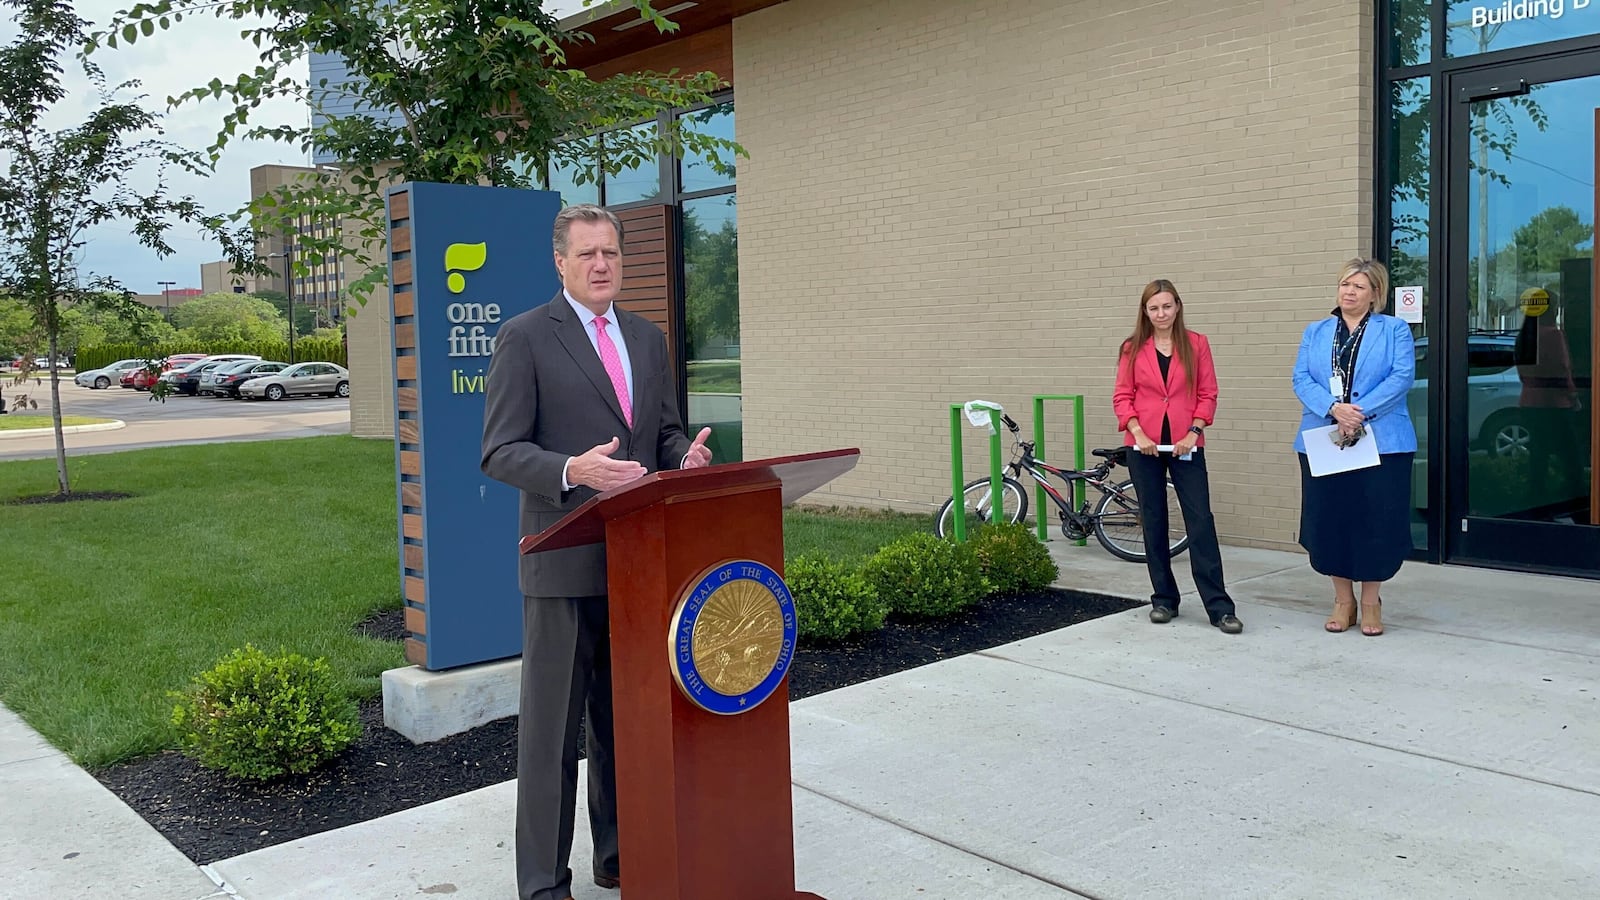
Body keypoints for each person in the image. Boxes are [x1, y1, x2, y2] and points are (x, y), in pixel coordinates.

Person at [481, 203, 713, 900]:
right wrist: (571, 470)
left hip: (638, 567)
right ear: (561, 263)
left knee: (624, 725)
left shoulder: (647, 338)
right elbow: (499, 450)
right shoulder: (524, 338)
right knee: (553, 739)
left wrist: (687, 458)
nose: (602, 264)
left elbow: (662, 435)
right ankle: (544, 883)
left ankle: (619, 856)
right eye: (587, 254)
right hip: (562, 565)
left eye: (610, 252)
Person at [1292, 258, 1416, 636]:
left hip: (1381, 441)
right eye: (1345, 284)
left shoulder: (1393, 330)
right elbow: (1300, 377)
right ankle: (1343, 600)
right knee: (1332, 519)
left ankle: (1371, 602)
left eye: (1359, 286)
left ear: (1374, 294)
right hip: (1325, 439)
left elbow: (1401, 376)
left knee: (1375, 520)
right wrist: (1333, 409)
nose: (1349, 291)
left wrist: (1357, 414)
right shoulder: (1316, 331)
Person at [1112, 278, 1242, 634]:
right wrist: (1138, 433)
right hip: (1144, 446)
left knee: (1200, 520)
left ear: (1178, 306)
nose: (1161, 313)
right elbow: (1123, 397)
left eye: (1167, 306)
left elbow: (1208, 392)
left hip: (1187, 444)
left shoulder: (1196, 344)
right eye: (1153, 308)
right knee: (1153, 520)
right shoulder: (1131, 348)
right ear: (1145, 312)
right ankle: (1164, 599)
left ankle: (1219, 607)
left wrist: (1194, 432)